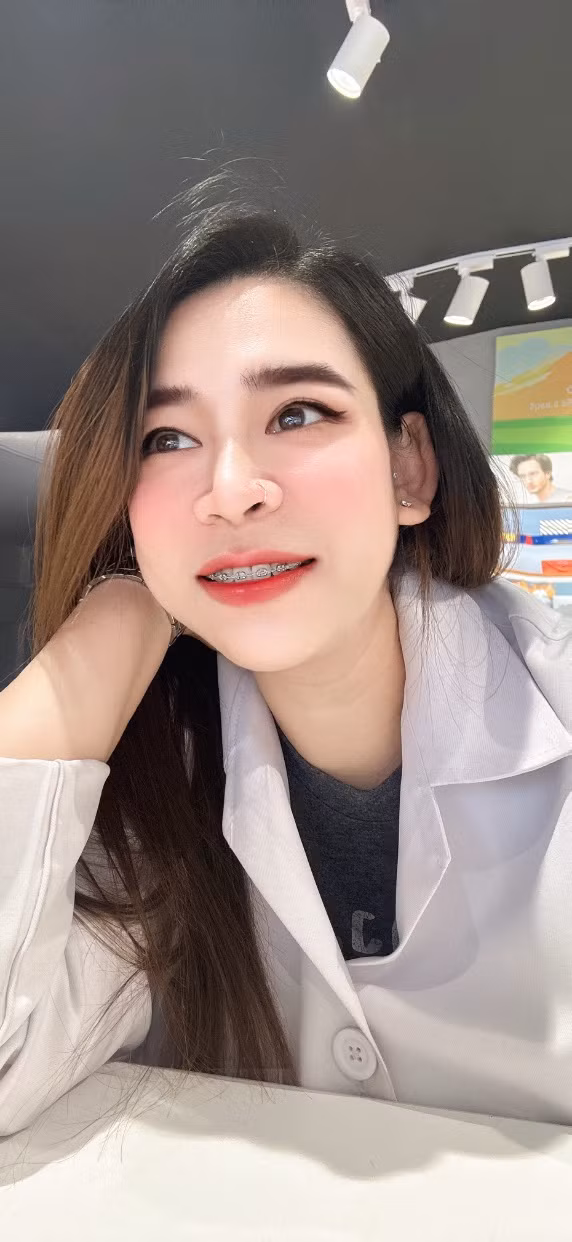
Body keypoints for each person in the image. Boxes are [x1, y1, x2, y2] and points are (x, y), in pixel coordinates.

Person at [0, 175, 570, 1138]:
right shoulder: (152, 780)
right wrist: (114, 620)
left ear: (409, 467)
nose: (231, 490)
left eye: (298, 413)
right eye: (166, 437)